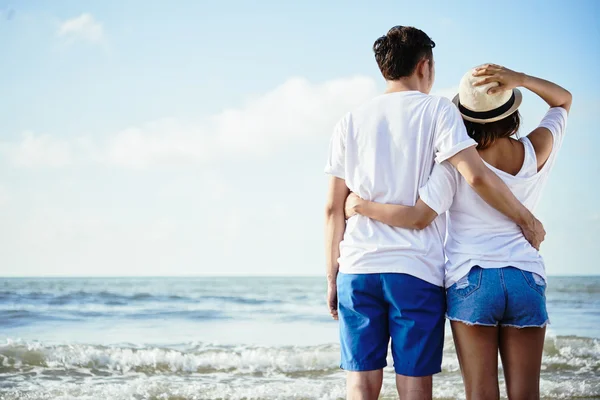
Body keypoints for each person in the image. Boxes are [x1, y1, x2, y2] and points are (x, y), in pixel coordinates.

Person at [323, 25, 546, 400]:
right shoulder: (439, 110)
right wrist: (526, 220)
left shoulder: (350, 120)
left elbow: (333, 207)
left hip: (357, 268)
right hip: (415, 271)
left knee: (359, 383)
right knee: (414, 386)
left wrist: (332, 276)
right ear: (425, 65)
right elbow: (474, 175)